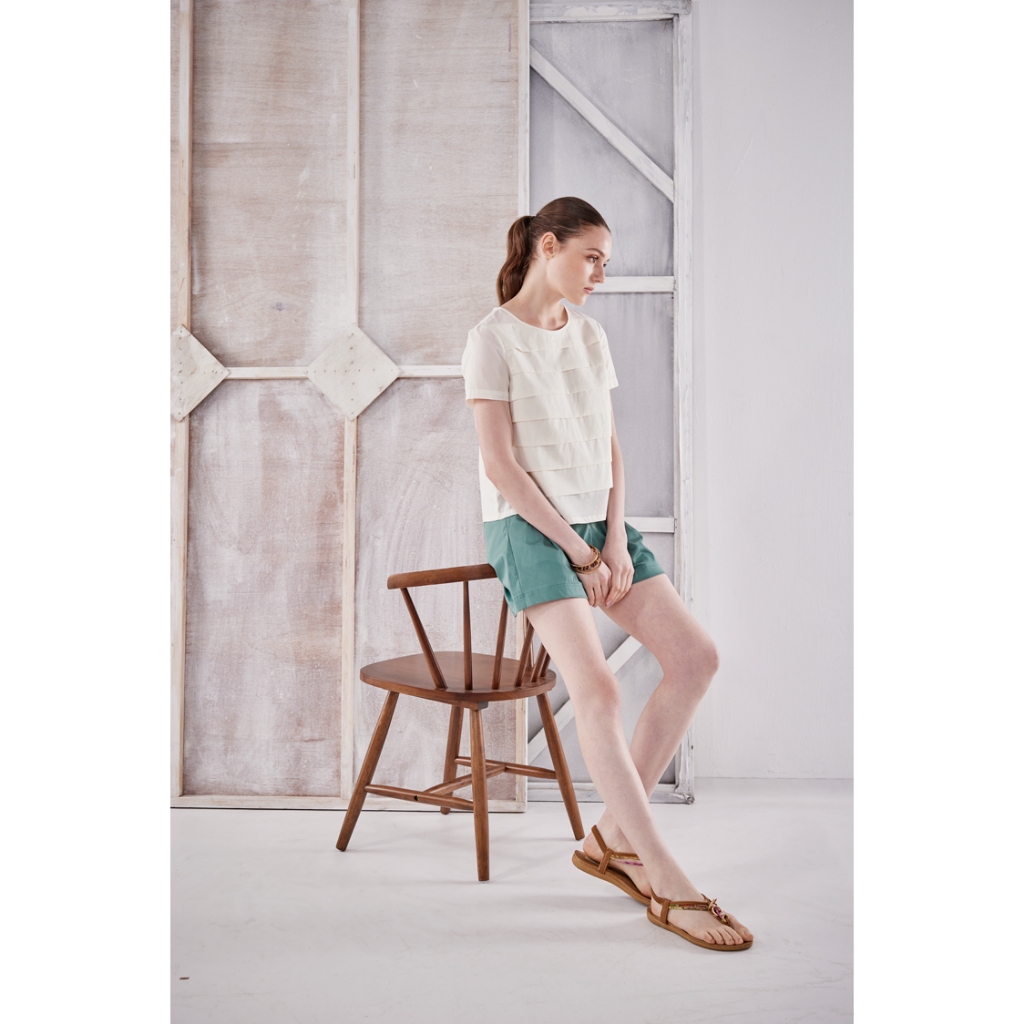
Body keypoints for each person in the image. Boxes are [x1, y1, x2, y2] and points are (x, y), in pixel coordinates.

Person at [461, 197, 753, 951]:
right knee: (598, 690)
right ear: (547, 246)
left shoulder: (589, 335)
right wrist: (578, 552)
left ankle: (612, 842)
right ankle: (666, 878)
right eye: (590, 257)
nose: (599, 273)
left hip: (600, 525)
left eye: (605, 262)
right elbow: (501, 466)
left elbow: (609, 446)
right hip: (529, 529)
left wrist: (615, 540)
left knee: (696, 658)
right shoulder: (491, 339)